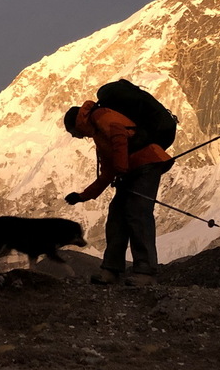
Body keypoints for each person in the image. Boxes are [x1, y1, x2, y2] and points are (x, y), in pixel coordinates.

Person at [63, 100, 173, 286]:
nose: (75, 137)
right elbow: (107, 174)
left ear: (76, 124)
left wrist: (121, 168)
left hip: (146, 163)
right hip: (131, 170)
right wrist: (82, 196)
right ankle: (110, 271)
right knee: (116, 217)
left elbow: (119, 133)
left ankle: (146, 273)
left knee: (138, 214)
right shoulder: (98, 134)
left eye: (72, 132)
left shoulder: (100, 116)